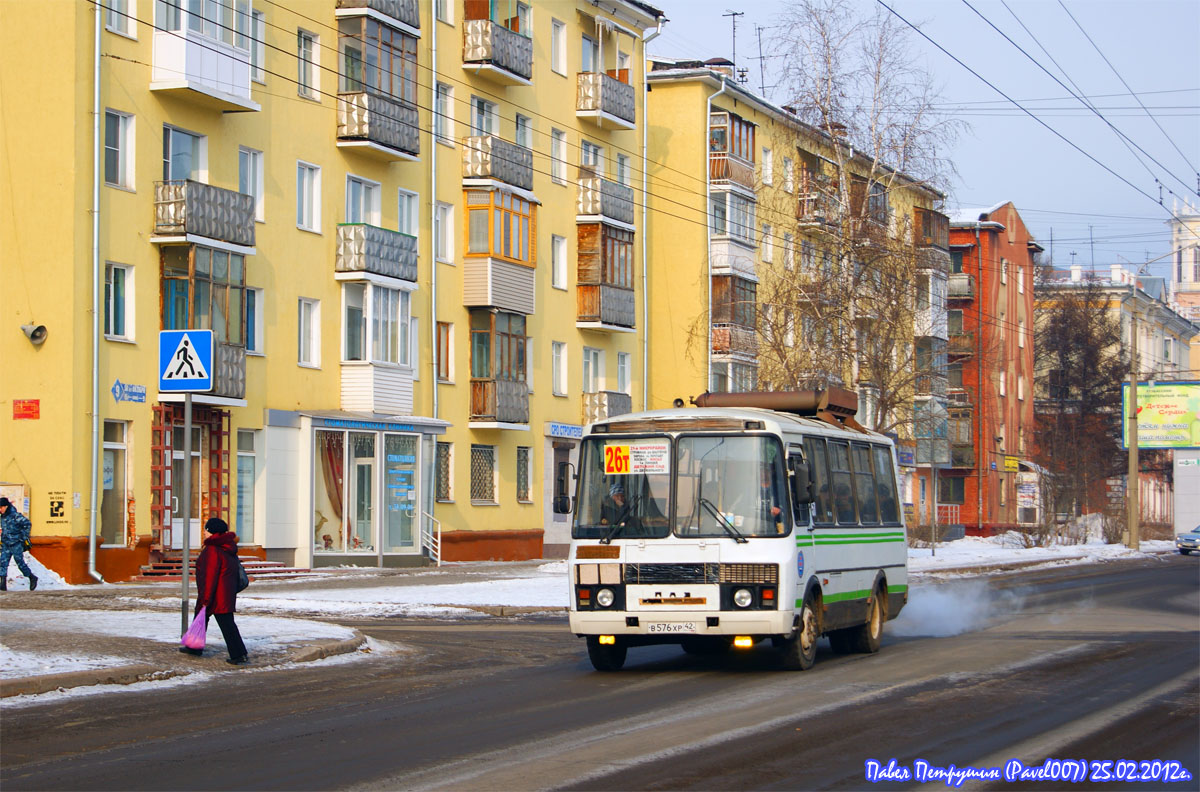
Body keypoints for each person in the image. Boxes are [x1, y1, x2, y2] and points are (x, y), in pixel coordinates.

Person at [182, 517, 248, 665]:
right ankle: (194, 647)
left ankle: (239, 654)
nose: (204, 532)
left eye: (206, 529)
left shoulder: (212, 550)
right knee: (203, 618)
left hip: (215, 594)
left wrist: (206, 598)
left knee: (226, 624)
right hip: (224, 594)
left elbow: (210, 575)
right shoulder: (227, 547)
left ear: (211, 532)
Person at [0, 497, 37, 592]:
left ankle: (32, 577)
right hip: (6, 543)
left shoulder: (15, 516)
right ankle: (2, 585)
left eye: (1, 508)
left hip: (16, 543)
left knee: (20, 563)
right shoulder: (2, 517)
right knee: (2, 563)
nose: (0, 510)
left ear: (6, 506)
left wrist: (23, 537)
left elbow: (27, 524)